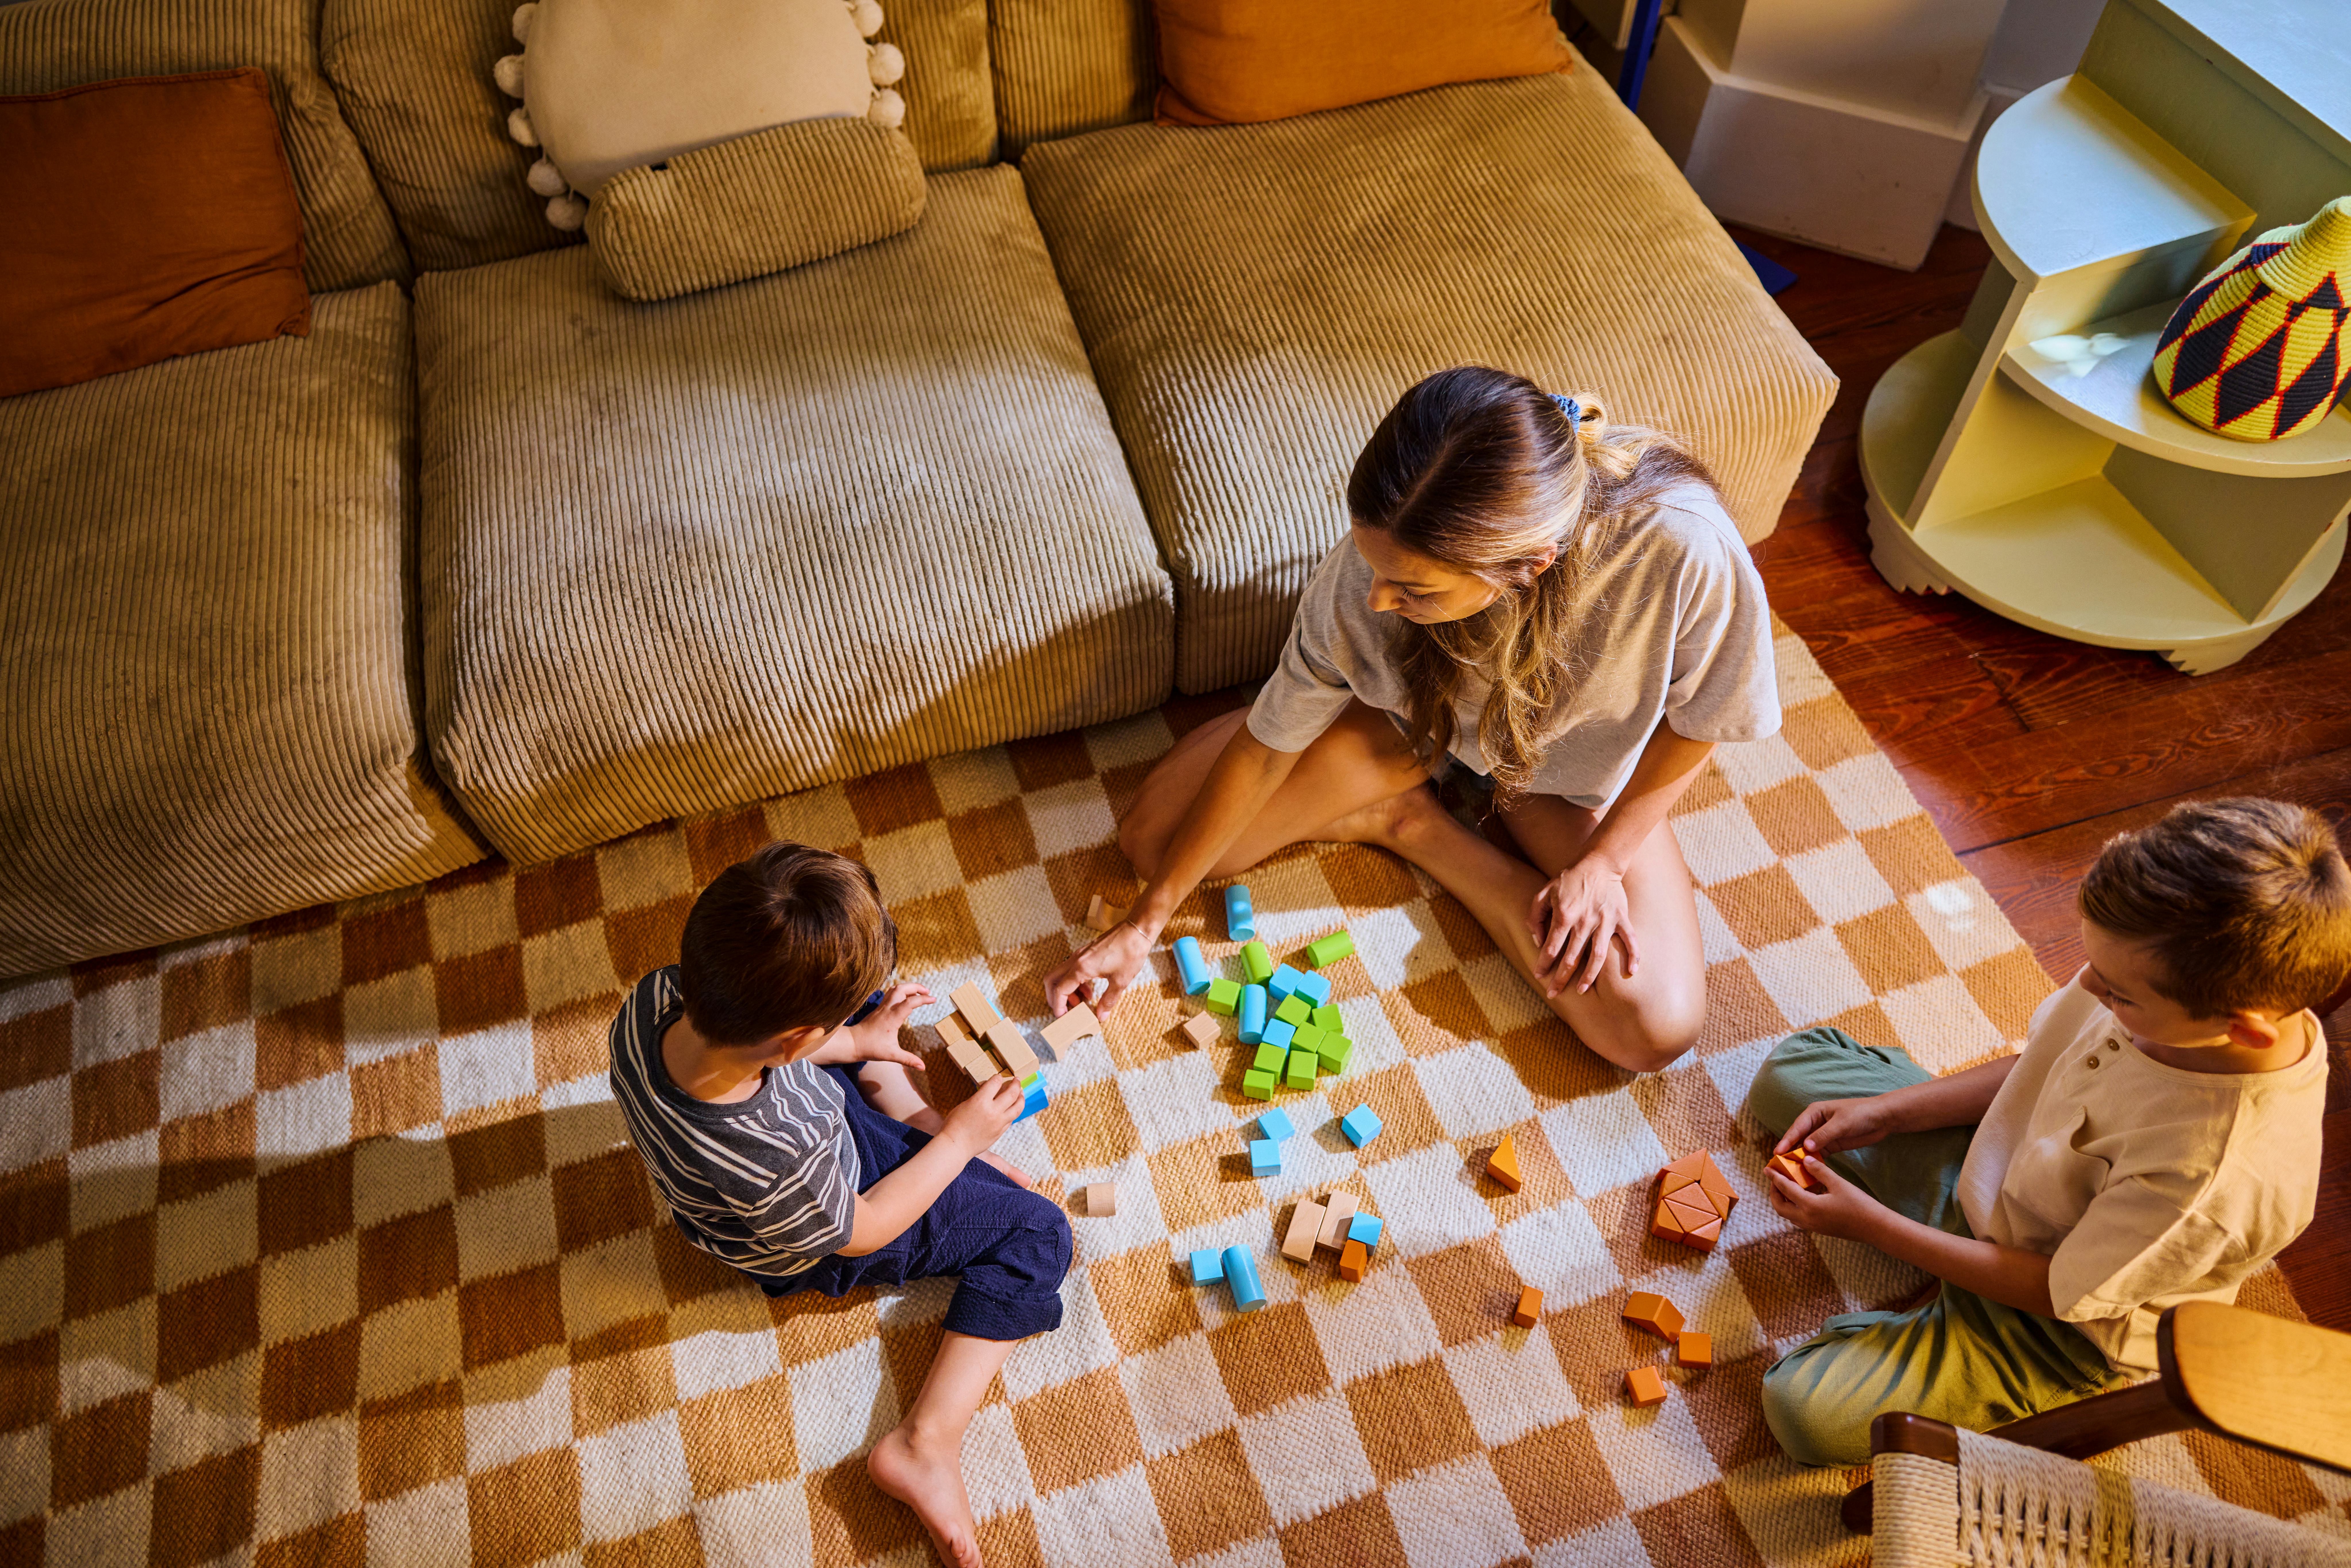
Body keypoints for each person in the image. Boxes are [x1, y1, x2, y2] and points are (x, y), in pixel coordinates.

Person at [1045, 365, 1780, 1070]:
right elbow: (1267, 748)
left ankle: (1416, 826)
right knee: (1153, 842)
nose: (1374, 601)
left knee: (1652, 1027)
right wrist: (1146, 923)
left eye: (1412, 589)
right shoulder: (1365, 585)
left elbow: (1706, 717)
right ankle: (1402, 798)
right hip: (1412, 726)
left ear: (1530, 563)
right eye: (1374, 566)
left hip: (1555, 777)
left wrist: (1602, 863)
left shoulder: (1683, 548)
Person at [1750, 798, 2348, 1467]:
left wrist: (1872, 1226)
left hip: (2058, 1320)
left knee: (1804, 1413)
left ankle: (1954, 1335)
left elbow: (2061, 1290)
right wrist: (1891, 1112)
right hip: (2003, 1172)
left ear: (2243, 1028)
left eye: (2119, 993)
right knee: (1789, 1073)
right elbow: (2040, 1065)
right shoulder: (2149, 978)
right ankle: (1933, 1251)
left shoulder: (2212, 1177)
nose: (2088, 985)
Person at [607, 841, 1069, 1568]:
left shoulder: (657, 996)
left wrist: (854, 1035)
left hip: (801, 1115)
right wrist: (956, 1138)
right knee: (1039, 1231)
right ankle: (925, 1444)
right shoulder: (772, 1160)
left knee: (840, 985)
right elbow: (865, 1228)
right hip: (829, 1218)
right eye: (816, 1036)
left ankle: (891, 1097)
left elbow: (786, 1042)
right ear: (793, 1042)